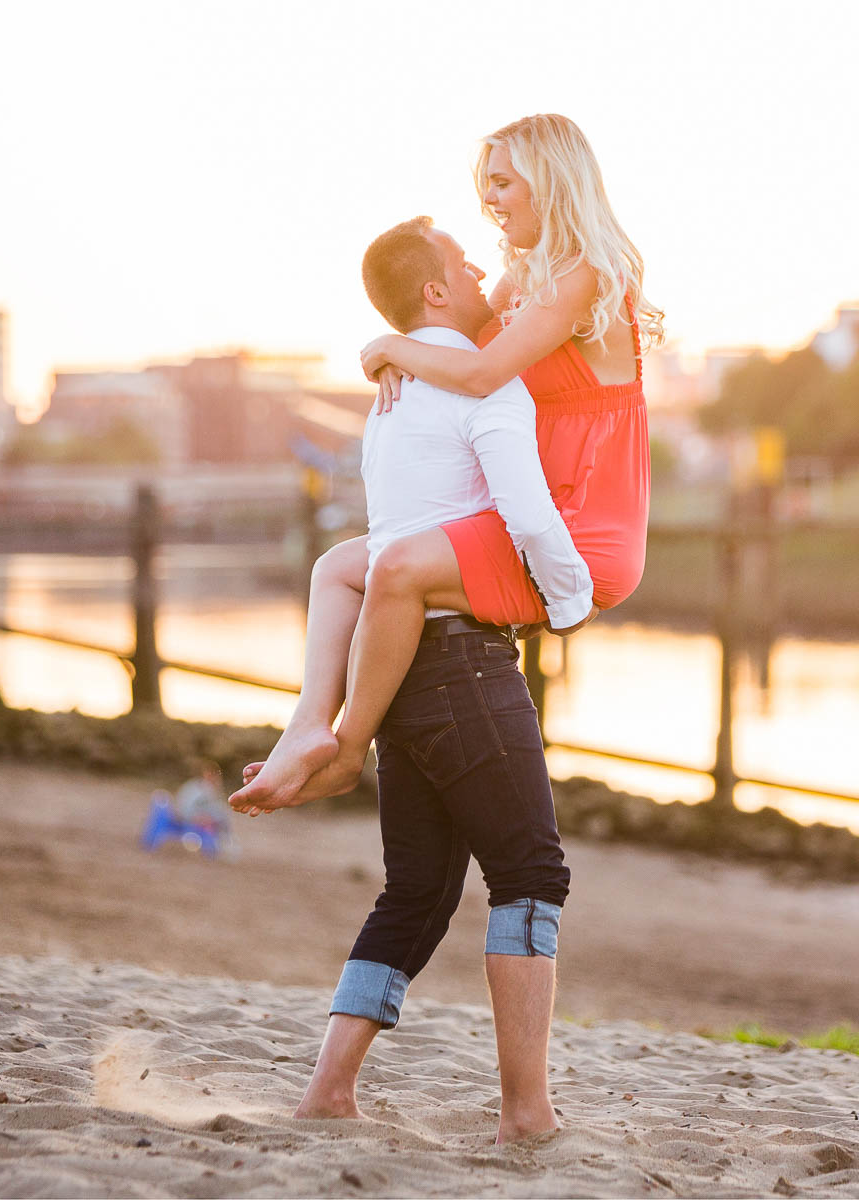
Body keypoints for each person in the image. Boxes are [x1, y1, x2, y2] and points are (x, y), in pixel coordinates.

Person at [227, 112, 663, 816]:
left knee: (396, 569)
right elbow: (447, 331)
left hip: (577, 529)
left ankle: (345, 754)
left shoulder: (584, 275)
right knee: (339, 569)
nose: (489, 200)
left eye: (501, 183)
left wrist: (391, 350)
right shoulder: (522, 279)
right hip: (521, 513)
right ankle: (307, 725)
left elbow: (482, 371)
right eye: (485, 185)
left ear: (549, 183)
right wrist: (394, 351)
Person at [261, 216, 585, 1142]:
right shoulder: (485, 388)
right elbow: (522, 507)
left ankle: (329, 1090)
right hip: (460, 660)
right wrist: (572, 595)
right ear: (437, 291)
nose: (485, 269)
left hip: (394, 665)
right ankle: (528, 1114)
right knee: (530, 876)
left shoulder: (393, 397)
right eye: (467, 259)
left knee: (417, 891)